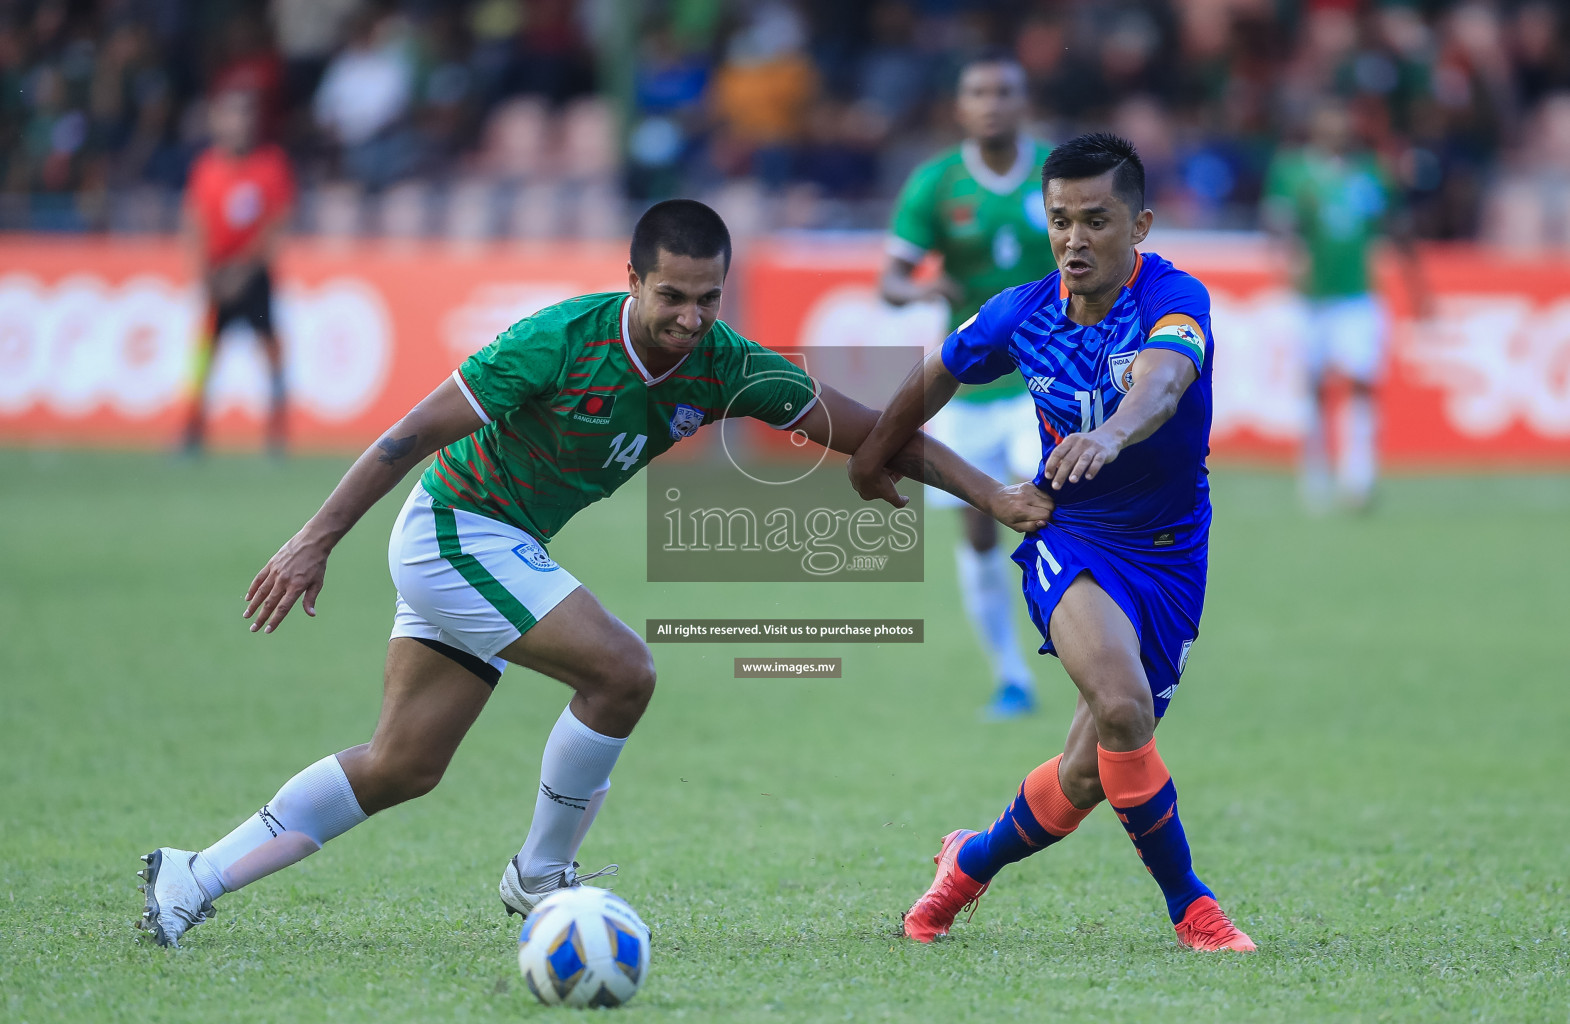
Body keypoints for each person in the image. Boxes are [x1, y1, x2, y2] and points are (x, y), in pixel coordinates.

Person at [135, 199, 1054, 948]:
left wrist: (990, 493)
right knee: (623, 671)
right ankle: (539, 878)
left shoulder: (726, 365)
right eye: (672, 297)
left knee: (401, 766)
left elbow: (875, 431)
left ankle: (194, 875)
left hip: (497, 546)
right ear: (632, 283)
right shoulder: (558, 340)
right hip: (457, 530)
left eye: (709, 298)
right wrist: (315, 536)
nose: (692, 319)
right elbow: (407, 435)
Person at [850, 134, 1255, 952]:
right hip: (1069, 535)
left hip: (1172, 553)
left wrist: (1111, 432)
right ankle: (1193, 909)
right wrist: (874, 459)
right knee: (1122, 706)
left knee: (1085, 775)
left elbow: (1165, 382)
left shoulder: (1175, 297)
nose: (1075, 239)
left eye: (1096, 221)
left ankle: (967, 864)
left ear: (1139, 224)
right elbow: (931, 378)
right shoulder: (1019, 311)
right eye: (1061, 220)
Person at [880, 52, 1056, 720]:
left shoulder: (1054, 175)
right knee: (979, 534)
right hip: (964, 388)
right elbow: (889, 280)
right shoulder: (935, 182)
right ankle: (1011, 675)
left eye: (1004, 91)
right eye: (978, 92)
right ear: (961, 106)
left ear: (1023, 101)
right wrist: (924, 286)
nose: (991, 102)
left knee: (1054, 510)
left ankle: (1088, 650)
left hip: (1045, 383)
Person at [1262, 98, 1428, 511]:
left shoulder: (1371, 173)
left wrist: (1419, 289)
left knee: (1362, 381)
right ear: (1315, 127)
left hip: (1357, 295)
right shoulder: (1293, 171)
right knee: (1316, 382)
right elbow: (1278, 225)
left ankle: (1359, 474)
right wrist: (1288, 258)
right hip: (1311, 298)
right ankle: (1315, 472)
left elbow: (1395, 228)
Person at [181, 88, 294, 455]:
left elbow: (276, 224)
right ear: (219, 121)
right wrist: (204, 272)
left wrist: (243, 270)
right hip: (216, 274)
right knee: (205, 353)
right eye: (232, 115)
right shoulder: (207, 167)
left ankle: (276, 430)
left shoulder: (270, 165)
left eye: (245, 116)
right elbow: (195, 221)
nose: (239, 123)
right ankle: (192, 428)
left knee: (269, 349)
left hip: (253, 275)